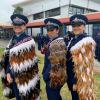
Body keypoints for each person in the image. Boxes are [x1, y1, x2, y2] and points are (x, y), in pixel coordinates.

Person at [5, 14, 40, 100]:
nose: (17, 26)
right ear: (13, 25)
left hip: (26, 79)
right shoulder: (12, 40)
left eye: (20, 24)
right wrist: (8, 73)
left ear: (24, 26)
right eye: (15, 24)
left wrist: (11, 74)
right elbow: (8, 59)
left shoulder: (29, 41)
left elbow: (27, 63)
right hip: (13, 78)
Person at [64, 14, 96, 100]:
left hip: (80, 79)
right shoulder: (72, 39)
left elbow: (83, 66)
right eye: (74, 25)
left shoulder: (86, 41)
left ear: (84, 27)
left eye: (79, 25)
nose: (76, 27)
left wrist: (75, 82)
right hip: (71, 76)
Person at [42, 18, 67, 100]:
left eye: (51, 29)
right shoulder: (53, 41)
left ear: (57, 30)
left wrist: (45, 75)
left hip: (54, 77)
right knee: (55, 96)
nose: (49, 32)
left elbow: (55, 63)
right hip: (53, 76)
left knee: (53, 96)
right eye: (48, 30)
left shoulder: (58, 43)